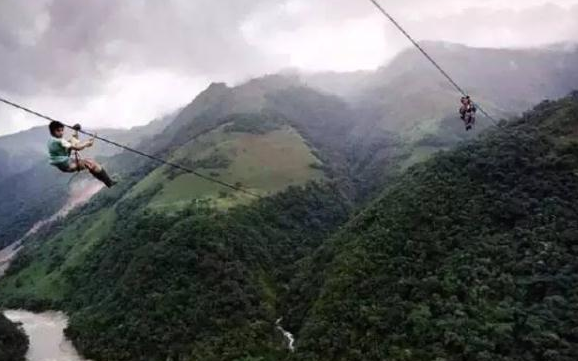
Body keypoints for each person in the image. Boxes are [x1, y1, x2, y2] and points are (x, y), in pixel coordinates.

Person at [47, 121, 116, 187]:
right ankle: (109, 182)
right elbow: (77, 147)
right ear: (52, 132)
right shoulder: (60, 141)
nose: (61, 133)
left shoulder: (51, 140)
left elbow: (71, 144)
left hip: (63, 163)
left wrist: (76, 132)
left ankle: (75, 131)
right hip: (68, 165)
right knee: (91, 163)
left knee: (72, 140)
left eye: (62, 130)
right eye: (58, 131)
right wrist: (87, 143)